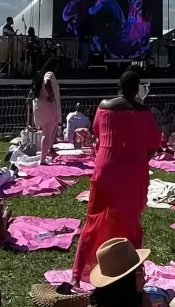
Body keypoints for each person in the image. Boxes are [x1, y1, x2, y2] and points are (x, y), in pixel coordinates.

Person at [71, 69, 165, 285]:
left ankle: (78, 274)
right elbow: (154, 144)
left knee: (94, 218)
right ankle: (132, 273)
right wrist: (140, 158)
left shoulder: (104, 106)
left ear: (119, 86)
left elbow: (97, 132)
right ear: (137, 88)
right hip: (134, 170)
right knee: (130, 221)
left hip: (107, 167)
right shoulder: (144, 112)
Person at [32, 66, 63, 144]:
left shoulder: (38, 75)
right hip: (48, 106)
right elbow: (47, 82)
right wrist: (51, 96)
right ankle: (50, 148)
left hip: (39, 105)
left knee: (46, 132)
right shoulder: (49, 74)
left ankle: (48, 149)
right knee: (49, 132)